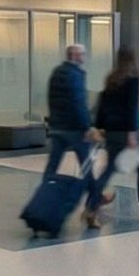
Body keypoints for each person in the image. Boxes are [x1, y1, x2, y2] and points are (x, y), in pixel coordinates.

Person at [90, 48, 139, 227]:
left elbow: (102, 104)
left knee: (108, 171)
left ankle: (90, 209)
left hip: (112, 132)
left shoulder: (111, 79)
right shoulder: (133, 79)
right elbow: (131, 108)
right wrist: (131, 134)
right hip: (129, 132)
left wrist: (99, 127)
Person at [42, 43, 106, 214]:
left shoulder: (56, 72)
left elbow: (51, 99)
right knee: (86, 165)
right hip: (75, 130)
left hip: (57, 127)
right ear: (75, 56)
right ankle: (95, 196)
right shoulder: (75, 74)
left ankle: (43, 196)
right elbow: (79, 103)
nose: (84, 58)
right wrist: (88, 127)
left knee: (52, 166)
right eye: (82, 55)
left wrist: (53, 120)